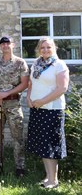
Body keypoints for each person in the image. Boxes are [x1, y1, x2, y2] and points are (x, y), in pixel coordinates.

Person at [26, 38, 69, 189]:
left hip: (52, 109)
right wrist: (28, 97)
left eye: (48, 47)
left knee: (51, 144)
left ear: (54, 48)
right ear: (38, 49)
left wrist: (42, 101)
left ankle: (53, 180)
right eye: (42, 47)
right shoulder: (36, 64)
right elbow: (31, 83)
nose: (45, 50)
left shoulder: (59, 65)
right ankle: (48, 177)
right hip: (38, 109)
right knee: (43, 144)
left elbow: (61, 88)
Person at [0, 36, 29, 177]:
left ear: (13, 45)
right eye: (2, 44)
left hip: (13, 104)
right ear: (0, 47)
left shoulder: (20, 63)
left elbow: (24, 83)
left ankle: (20, 167)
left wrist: (6, 93)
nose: (5, 46)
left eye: (7, 43)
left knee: (18, 136)